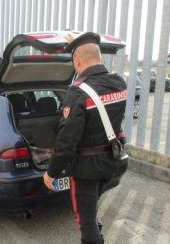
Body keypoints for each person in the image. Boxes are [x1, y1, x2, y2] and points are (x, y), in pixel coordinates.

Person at [43, 32, 128, 244]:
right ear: (99, 57)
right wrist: (80, 43)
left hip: (86, 170)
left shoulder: (78, 93)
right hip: (112, 163)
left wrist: (51, 172)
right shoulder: (119, 83)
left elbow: (67, 142)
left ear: (77, 61)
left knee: (85, 222)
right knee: (91, 209)